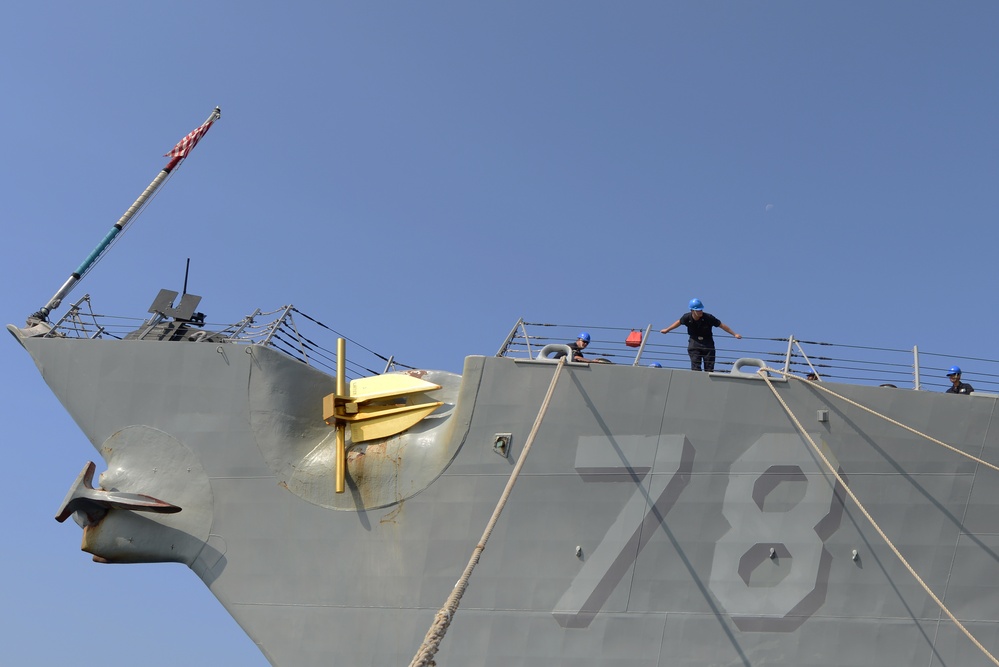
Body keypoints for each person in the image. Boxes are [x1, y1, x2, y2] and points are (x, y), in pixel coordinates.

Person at [660, 298, 741, 372]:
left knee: (709, 368)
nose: (700, 312)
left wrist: (734, 334)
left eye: (701, 310)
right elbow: (678, 322)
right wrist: (667, 330)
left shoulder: (708, 317)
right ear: (692, 311)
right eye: (698, 310)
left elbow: (721, 325)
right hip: (694, 342)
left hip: (707, 343)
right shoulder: (687, 317)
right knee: (695, 367)